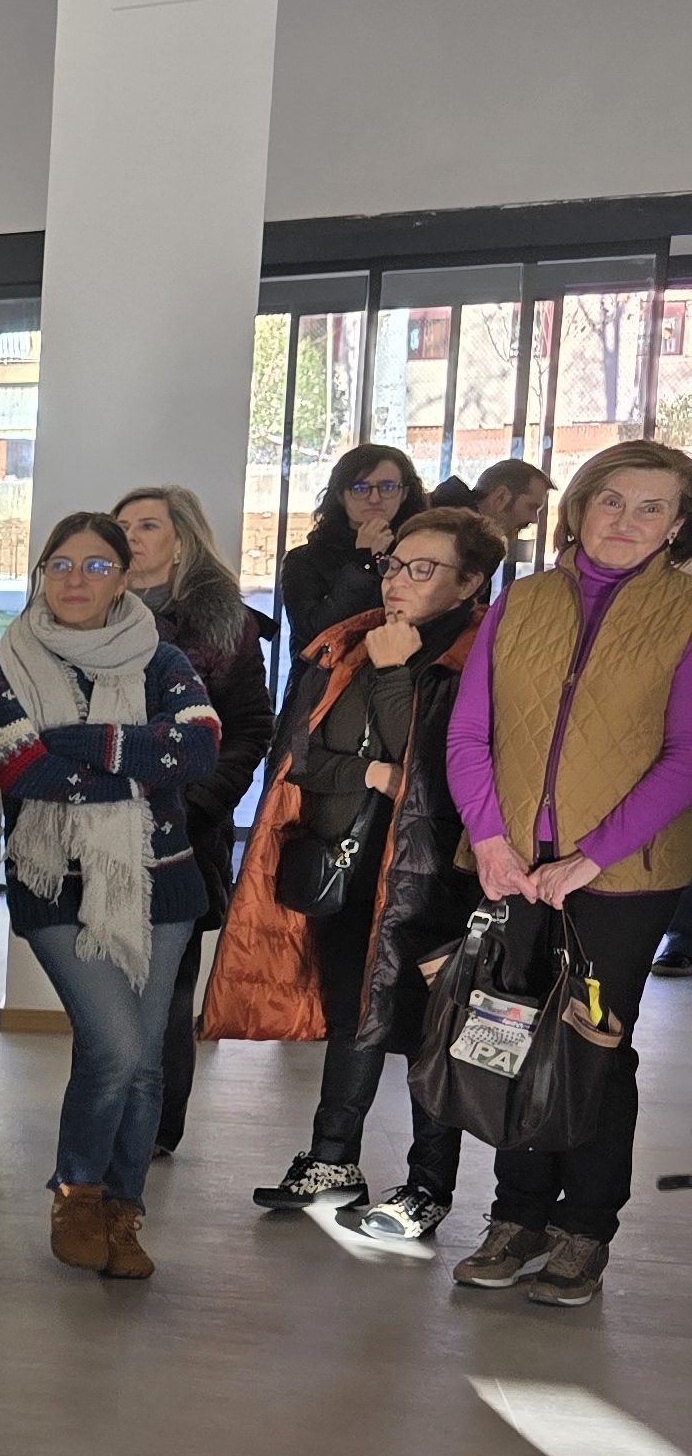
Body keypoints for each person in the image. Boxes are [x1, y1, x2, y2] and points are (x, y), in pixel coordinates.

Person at [441, 439, 692, 1308]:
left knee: (594, 1052)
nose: (628, 521)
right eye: (612, 501)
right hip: (511, 868)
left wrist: (593, 855)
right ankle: (515, 1217)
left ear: (677, 524)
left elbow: (685, 756)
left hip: (624, 879)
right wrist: (491, 840)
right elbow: (468, 734)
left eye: (653, 508)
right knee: (510, 1039)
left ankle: (585, 1230)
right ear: (579, 507)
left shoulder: (688, 611)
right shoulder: (520, 605)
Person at [208, 506, 504, 1238]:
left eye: (424, 569)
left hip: (437, 875)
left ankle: (427, 1186)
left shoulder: (479, 656)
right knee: (352, 1017)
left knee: (429, 1030)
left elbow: (427, 771)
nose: (400, 581)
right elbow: (304, 758)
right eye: (395, 564)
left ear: (472, 583)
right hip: (344, 861)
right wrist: (366, 771)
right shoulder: (351, 644)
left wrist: (398, 677)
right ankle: (333, 1159)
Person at [0, 511, 224, 1283]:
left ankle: (125, 1210)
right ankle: (76, 1191)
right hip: (56, 885)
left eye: (94, 566)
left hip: (166, 883)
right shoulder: (2, 667)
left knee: (146, 1063)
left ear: (125, 577)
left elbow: (198, 747)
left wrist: (80, 741)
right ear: (38, 576)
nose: (74, 580)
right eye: (59, 564)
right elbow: (25, 774)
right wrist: (137, 754)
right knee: (117, 1046)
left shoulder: (163, 658)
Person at [115, 485, 273, 1155]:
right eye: (120, 525)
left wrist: (202, 798)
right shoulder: (91, 612)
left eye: (147, 525)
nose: (130, 537)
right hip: (96, 825)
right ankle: (105, 1114)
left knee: (167, 993)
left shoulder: (223, 622)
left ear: (182, 538)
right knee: (105, 985)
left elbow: (251, 728)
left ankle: (153, 1129)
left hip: (184, 830)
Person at [278, 444, 428, 646]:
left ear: (404, 493)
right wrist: (363, 560)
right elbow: (315, 633)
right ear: (341, 495)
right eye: (360, 488)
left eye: (387, 487)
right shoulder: (305, 559)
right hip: (329, 675)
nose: (375, 498)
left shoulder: (420, 553)